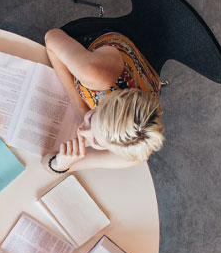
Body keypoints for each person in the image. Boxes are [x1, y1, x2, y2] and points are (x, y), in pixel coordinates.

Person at [41, 28, 165, 173]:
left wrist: (59, 164)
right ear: (106, 102)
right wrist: (81, 110)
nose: (81, 131)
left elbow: (47, 164)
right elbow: (52, 36)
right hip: (96, 48)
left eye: (96, 142)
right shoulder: (94, 74)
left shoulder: (130, 151)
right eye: (91, 117)